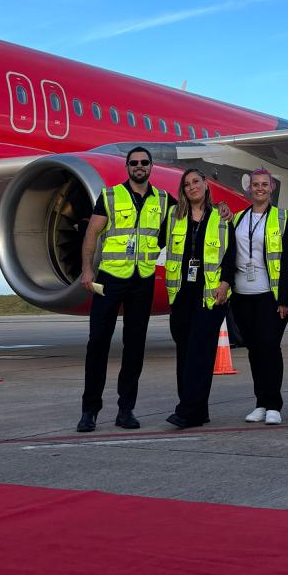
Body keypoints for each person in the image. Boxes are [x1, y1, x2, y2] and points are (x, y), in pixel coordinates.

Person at [77, 145, 171, 432]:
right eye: (134, 163)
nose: (139, 166)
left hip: (143, 279)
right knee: (98, 343)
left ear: (151, 167)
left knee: (135, 346)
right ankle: (89, 411)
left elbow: (194, 210)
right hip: (110, 278)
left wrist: (221, 207)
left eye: (144, 162)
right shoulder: (110, 196)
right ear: (127, 167)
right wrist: (87, 270)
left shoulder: (163, 199)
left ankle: (126, 410)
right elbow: (92, 232)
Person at [164, 168, 237, 429]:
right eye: (187, 184)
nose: (192, 187)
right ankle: (198, 411)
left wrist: (225, 283)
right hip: (181, 295)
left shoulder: (221, 216)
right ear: (182, 191)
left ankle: (186, 411)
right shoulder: (174, 216)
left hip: (210, 297)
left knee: (200, 354)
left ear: (206, 185)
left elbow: (231, 254)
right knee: (184, 354)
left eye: (196, 181)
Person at [231, 168, 288, 425]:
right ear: (249, 188)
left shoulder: (282, 218)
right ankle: (260, 402)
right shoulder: (238, 218)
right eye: (255, 184)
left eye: (264, 184)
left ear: (272, 188)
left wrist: (285, 299)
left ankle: (274, 405)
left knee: (269, 347)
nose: (260, 188)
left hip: (269, 295)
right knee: (254, 350)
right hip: (242, 295)